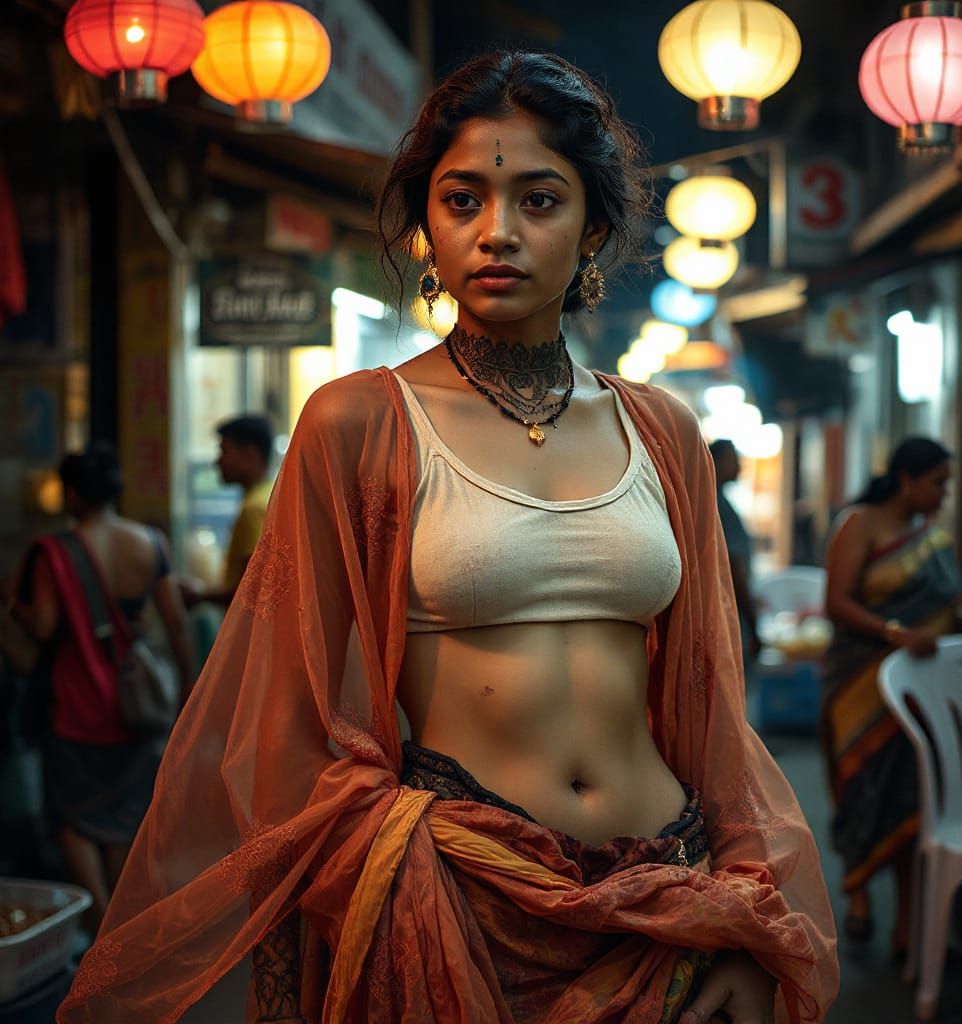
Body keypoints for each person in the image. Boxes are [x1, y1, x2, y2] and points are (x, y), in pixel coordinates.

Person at [58, 52, 837, 1024]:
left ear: (593, 227)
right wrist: (384, 866)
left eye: (539, 200)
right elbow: (286, 719)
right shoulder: (359, 421)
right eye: (462, 199)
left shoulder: (661, 430)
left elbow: (710, 699)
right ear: (428, 225)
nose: (496, 231)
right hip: (459, 903)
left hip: (667, 895)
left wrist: (737, 910)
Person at [821, 437, 962, 959]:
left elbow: (946, 612)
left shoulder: (933, 538)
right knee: (861, 792)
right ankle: (859, 896)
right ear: (906, 479)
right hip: (861, 689)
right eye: (938, 483)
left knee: (912, 806)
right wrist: (894, 633)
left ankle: (909, 929)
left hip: (921, 694)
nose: (945, 494)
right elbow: (835, 602)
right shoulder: (860, 523)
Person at [9, 443, 193, 936]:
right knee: (123, 818)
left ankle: (99, 925)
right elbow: (176, 622)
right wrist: (188, 688)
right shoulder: (150, 542)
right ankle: (122, 930)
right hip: (135, 704)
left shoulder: (54, 552)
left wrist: (13, 605)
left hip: (76, 703)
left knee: (73, 818)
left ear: (71, 493)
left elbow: (44, 626)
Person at [179, 414, 274, 609]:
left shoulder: (254, 509)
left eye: (224, 451)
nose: (217, 462)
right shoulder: (269, 495)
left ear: (249, 455)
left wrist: (199, 594)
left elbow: (252, 589)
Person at [710, 439, 762, 667]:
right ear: (716, 461)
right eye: (734, 459)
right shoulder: (718, 506)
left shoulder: (716, 501)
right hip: (729, 619)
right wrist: (753, 623)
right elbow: (733, 568)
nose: (740, 465)